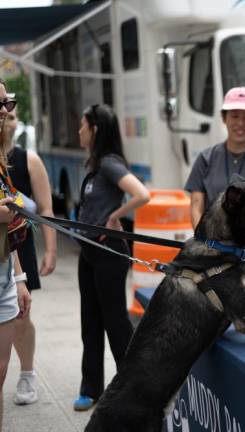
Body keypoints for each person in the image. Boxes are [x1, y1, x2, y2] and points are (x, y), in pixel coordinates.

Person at [74, 104, 150, 411]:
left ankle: (132, 390)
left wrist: (115, 217)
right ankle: (91, 389)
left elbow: (142, 194)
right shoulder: (93, 165)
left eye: (82, 126)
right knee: (89, 323)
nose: (79, 131)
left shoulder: (108, 163)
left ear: (95, 130)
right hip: (89, 252)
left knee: (116, 323)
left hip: (109, 252)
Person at [1, 104, 57, 406]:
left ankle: (26, 374)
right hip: (4, 243)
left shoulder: (28, 160)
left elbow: (46, 210)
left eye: (11, 117)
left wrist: (50, 250)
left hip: (19, 246)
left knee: (23, 315)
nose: (7, 121)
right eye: (3, 116)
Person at [185, 87, 245, 228]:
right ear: (224, 118)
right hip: (214, 241)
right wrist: (205, 239)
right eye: (235, 116)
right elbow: (196, 207)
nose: (241, 123)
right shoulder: (205, 158)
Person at [0, 78, 32, 431]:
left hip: (5, 273)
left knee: (1, 371)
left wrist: (20, 278)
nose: (6, 111)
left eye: (6, 103)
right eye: (0, 105)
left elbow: (9, 228)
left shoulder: (3, 159)